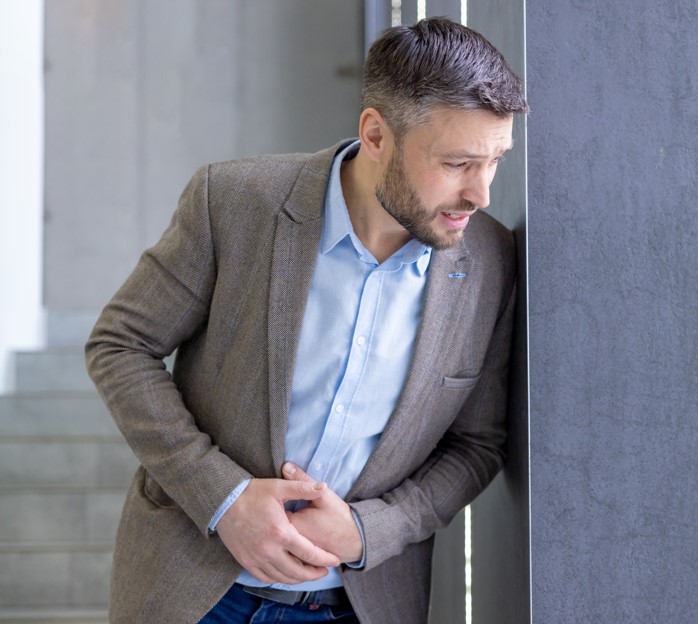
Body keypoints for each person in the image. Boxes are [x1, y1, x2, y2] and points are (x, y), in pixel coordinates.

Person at [85, 16, 527, 624]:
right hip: (192, 591)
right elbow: (121, 344)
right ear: (376, 134)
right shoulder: (234, 202)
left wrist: (370, 530)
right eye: (456, 163)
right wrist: (225, 498)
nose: (480, 194)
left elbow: (477, 446)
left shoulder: (491, 261)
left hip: (360, 605)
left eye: (495, 160)